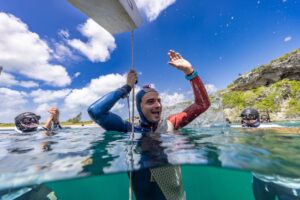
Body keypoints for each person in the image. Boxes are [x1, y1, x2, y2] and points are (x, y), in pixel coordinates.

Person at [88, 50, 210, 200]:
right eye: (150, 102)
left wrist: (190, 72)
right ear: (139, 107)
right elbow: (96, 112)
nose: (158, 105)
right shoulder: (129, 130)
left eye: (159, 100)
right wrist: (126, 88)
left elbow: (202, 104)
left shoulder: (170, 124)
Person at [0, 107, 61, 200]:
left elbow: (45, 129)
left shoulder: (38, 134)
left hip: (33, 186)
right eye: (29, 121)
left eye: (35, 121)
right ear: (20, 124)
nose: (33, 124)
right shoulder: (14, 140)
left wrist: (53, 119)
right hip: (16, 191)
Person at [240, 108, 300, 200]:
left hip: (287, 181)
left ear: (258, 118)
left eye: (251, 117)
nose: (248, 120)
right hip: (260, 178)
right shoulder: (241, 131)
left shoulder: (270, 128)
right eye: (244, 117)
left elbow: (295, 132)